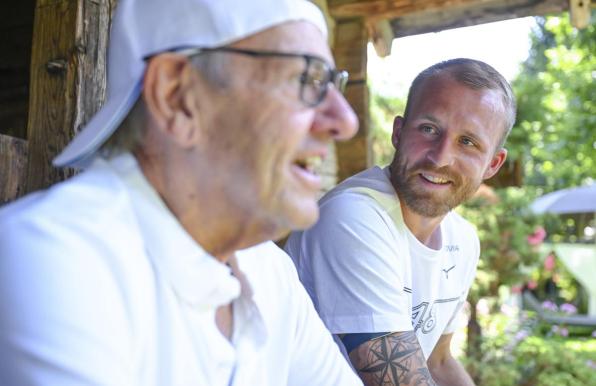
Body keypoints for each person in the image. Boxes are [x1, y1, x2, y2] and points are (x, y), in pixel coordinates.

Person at [0, 0, 362, 385]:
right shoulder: (54, 258)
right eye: (305, 80)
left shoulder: (268, 270)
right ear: (177, 97)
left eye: (331, 83)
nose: (346, 121)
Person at [285, 58, 515, 385]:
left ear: (492, 164)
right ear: (398, 132)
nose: (439, 157)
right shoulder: (353, 217)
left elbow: (438, 361)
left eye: (468, 142)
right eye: (429, 129)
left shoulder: (463, 240)